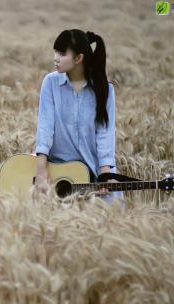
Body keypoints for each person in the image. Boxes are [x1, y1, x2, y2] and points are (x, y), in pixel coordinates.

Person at [34, 29, 125, 207]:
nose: (55, 58)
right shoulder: (50, 83)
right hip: (57, 167)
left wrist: (105, 172)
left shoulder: (105, 89)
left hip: (93, 166)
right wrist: (41, 169)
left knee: (114, 211)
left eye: (61, 53)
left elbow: (105, 132)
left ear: (78, 58)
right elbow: (45, 126)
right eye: (55, 52)